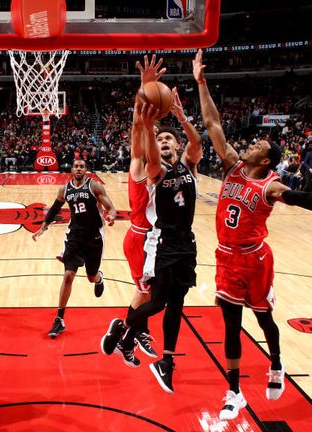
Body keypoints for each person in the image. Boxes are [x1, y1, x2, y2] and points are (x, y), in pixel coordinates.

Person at [194, 49, 312, 420]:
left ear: (265, 161)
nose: (250, 144)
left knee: (264, 320)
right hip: (226, 257)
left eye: (257, 146)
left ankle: (276, 362)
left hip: (255, 259)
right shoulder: (232, 166)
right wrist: (201, 81)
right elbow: (212, 122)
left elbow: (302, 197)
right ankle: (234, 392)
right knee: (230, 325)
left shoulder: (271, 186)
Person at [101, 55, 202, 365]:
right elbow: (137, 129)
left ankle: (133, 332)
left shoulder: (181, 168)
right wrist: (143, 91)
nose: (162, 140)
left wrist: (177, 118)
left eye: (167, 137)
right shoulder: (143, 165)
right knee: (150, 296)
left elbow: (194, 147)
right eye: (158, 137)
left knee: (153, 295)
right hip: (145, 238)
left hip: (164, 239)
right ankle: (126, 330)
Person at [32, 159, 116, 338]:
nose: (78, 169)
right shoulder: (64, 189)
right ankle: (59, 319)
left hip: (94, 236)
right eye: (76, 166)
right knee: (68, 275)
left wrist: (111, 216)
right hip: (75, 235)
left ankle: (99, 278)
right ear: (71, 169)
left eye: (81, 166)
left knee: (91, 277)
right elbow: (55, 208)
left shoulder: (94, 186)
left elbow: (111, 208)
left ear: (86, 169)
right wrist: (43, 227)